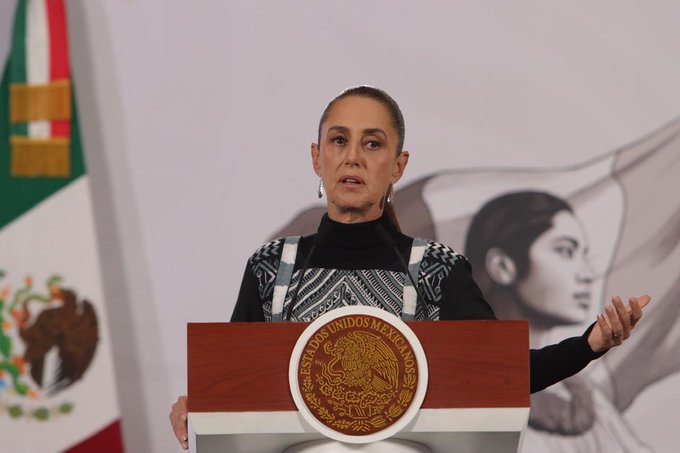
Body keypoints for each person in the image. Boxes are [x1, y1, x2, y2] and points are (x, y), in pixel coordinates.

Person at [169, 86, 648, 450]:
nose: (352, 157)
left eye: (372, 144)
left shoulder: (439, 270)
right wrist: (201, 406)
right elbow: (235, 384)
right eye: (339, 140)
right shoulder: (271, 268)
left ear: (398, 166)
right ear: (317, 158)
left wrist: (589, 345)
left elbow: (503, 375)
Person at [464, 191, 662, 452]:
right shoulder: (460, 384)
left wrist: (587, 347)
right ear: (503, 266)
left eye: (584, 254)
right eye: (566, 251)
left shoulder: (583, 396)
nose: (587, 274)